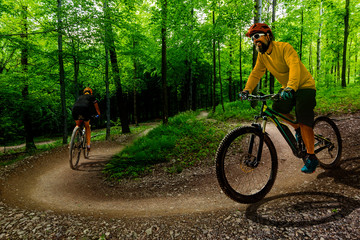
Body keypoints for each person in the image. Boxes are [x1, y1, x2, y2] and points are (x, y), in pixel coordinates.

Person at [242, 23, 318, 174]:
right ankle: (297, 129)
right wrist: (246, 90)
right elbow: (256, 73)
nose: (255, 41)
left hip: (304, 86)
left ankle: (312, 157)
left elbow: (294, 66)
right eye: (252, 38)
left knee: (303, 119)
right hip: (287, 87)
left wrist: (291, 87)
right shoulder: (262, 56)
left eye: (257, 36)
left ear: (268, 36)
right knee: (277, 109)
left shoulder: (284, 48)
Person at [72, 87, 101, 152]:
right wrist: (98, 114)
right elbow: (96, 107)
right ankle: (88, 145)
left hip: (75, 110)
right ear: (91, 92)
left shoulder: (80, 97)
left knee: (77, 125)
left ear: (84, 92)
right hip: (85, 110)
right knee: (87, 126)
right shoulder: (92, 97)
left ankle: (72, 142)